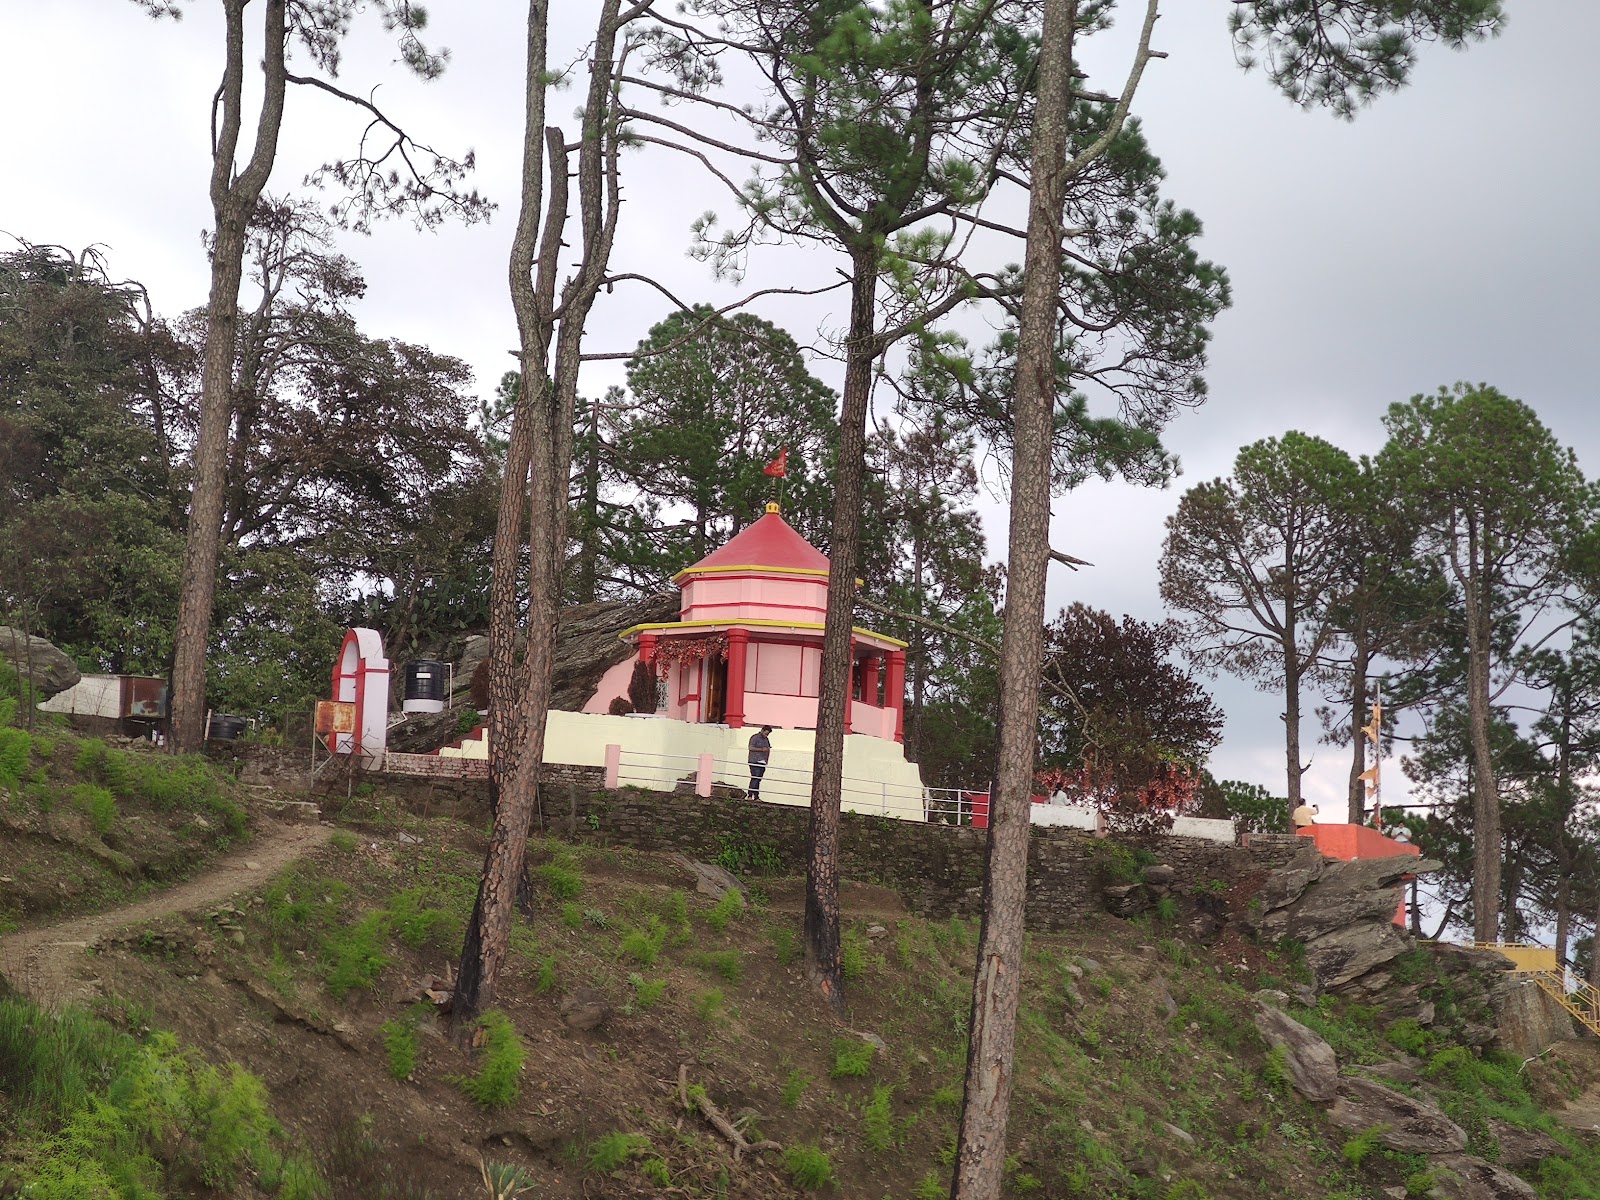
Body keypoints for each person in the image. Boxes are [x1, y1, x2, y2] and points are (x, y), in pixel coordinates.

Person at [747, 725, 773, 799]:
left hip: (762, 761)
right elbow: (750, 747)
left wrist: (766, 760)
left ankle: (756, 796)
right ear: (762, 730)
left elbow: (768, 749)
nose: (766, 735)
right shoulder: (755, 737)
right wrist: (762, 749)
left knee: (758, 779)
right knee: (755, 777)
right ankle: (750, 795)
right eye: (766, 733)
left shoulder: (766, 740)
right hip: (754, 760)